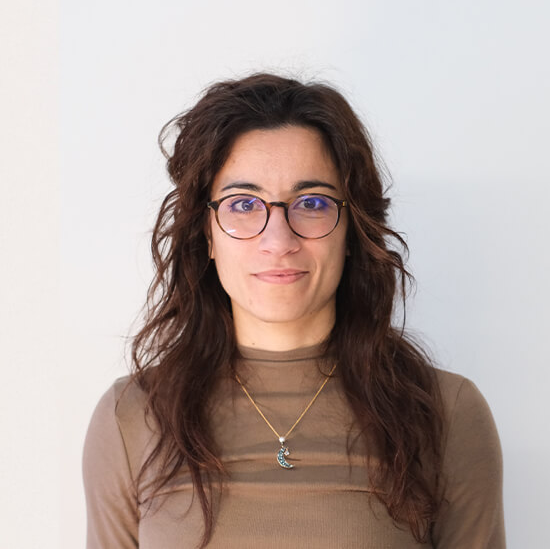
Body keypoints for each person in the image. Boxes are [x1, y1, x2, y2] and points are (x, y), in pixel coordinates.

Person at [83, 73, 505, 548]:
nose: (278, 240)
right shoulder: (132, 417)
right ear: (207, 234)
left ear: (352, 230)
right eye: (244, 204)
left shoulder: (445, 412)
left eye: (312, 202)